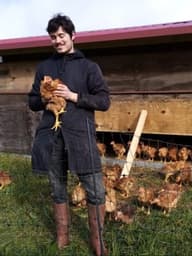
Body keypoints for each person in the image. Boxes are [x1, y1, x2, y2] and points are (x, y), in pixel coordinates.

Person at [28, 13, 110, 256]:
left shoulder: (88, 67)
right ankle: (62, 235)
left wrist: (74, 96)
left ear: (73, 36)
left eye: (61, 35)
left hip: (80, 135)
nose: (57, 40)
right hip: (52, 136)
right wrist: (44, 97)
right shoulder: (44, 67)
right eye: (53, 37)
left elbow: (104, 100)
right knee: (57, 187)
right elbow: (32, 101)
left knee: (95, 189)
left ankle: (97, 241)